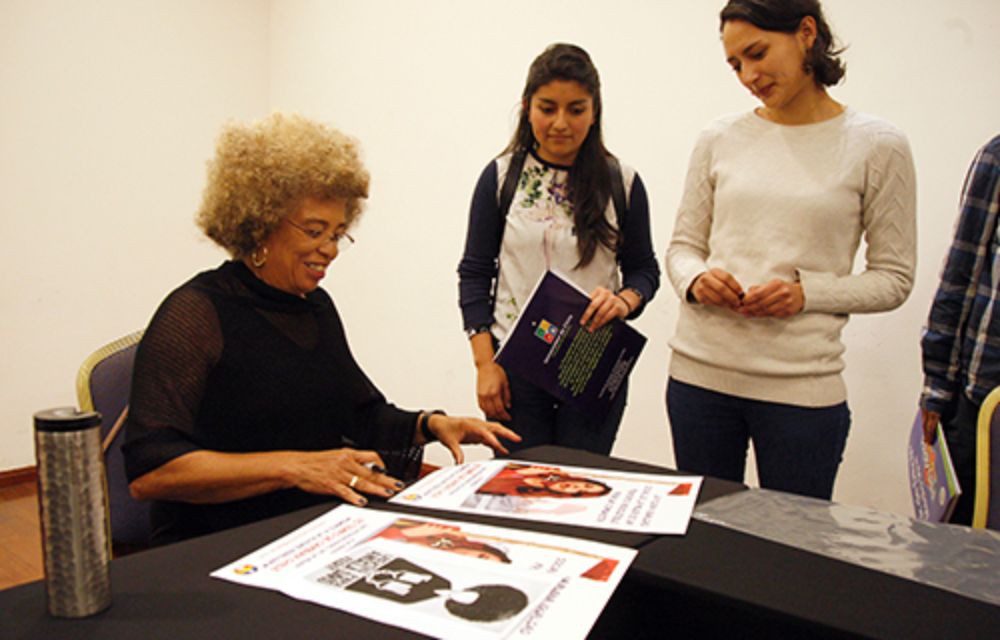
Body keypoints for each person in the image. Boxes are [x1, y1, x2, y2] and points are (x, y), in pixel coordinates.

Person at [122, 113, 519, 545]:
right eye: (315, 231)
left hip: (310, 529)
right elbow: (151, 472)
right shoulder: (196, 313)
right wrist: (295, 467)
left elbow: (359, 414)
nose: (329, 250)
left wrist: (432, 424)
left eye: (338, 233)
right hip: (218, 541)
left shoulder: (314, 306)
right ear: (259, 225)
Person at [665, 0, 916, 499]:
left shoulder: (878, 145)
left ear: (806, 33)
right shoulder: (718, 138)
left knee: (793, 558)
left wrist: (807, 294)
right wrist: (696, 280)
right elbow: (682, 248)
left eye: (757, 54)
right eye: (736, 64)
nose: (748, 75)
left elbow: (894, 278)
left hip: (802, 391)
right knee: (703, 547)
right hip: (699, 381)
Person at [458, 43, 660, 455]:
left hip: (591, 360)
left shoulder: (622, 182)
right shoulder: (500, 178)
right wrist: (485, 364)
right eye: (547, 108)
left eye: (576, 109)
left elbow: (645, 269)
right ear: (527, 107)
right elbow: (475, 273)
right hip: (513, 363)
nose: (560, 123)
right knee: (519, 492)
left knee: (581, 491)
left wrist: (624, 301)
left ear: (595, 111)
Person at [919, 134, 1000, 525]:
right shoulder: (997, 156)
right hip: (984, 402)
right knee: (960, 553)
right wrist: (937, 387)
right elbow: (961, 272)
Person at [477, 463, 612, 498]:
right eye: (586, 485)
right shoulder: (544, 468)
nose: (575, 487)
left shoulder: (521, 497)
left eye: (578, 493)